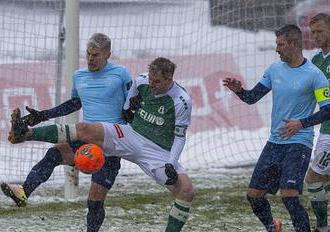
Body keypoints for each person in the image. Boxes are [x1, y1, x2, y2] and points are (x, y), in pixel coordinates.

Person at [8, 56, 195, 232]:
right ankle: (25, 134)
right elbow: (114, 104)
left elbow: (180, 136)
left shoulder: (180, 100)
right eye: (89, 53)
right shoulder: (135, 79)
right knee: (77, 134)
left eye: (157, 82)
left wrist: (171, 162)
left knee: (186, 191)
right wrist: (128, 109)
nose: (152, 85)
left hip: (157, 152)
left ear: (169, 78)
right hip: (128, 135)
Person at [1, 33, 132, 232]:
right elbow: (75, 103)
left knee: (94, 202)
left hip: (110, 145)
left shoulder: (121, 74)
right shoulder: (79, 75)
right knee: (54, 153)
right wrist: (44, 115)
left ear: (108, 54)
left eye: (95, 55)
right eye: (88, 54)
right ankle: (23, 192)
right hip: (87, 143)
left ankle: (25, 134)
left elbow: (132, 105)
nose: (90, 59)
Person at [223, 24, 330, 232]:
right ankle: (273, 227)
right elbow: (252, 98)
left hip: (299, 143)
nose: (277, 49)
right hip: (275, 142)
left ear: (293, 44)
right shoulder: (274, 69)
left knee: (289, 196)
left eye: (280, 44)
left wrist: (301, 123)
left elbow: (327, 110)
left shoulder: (314, 75)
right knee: (253, 196)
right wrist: (239, 91)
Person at [303, 13, 330, 232]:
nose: (315, 36)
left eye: (320, 31)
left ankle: (322, 227)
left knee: (313, 179)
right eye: (313, 32)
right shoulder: (317, 61)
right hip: (325, 128)